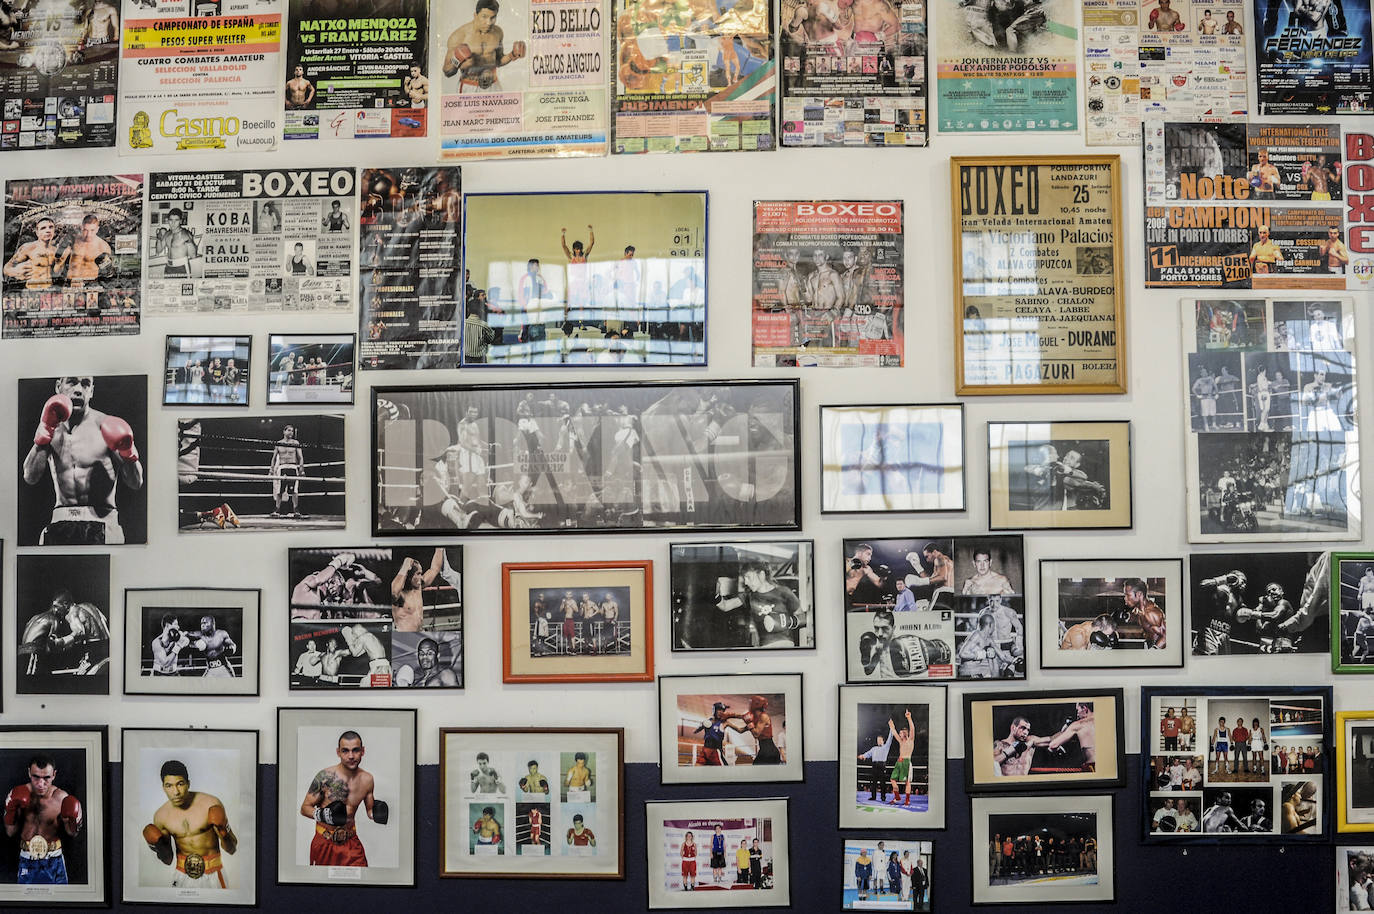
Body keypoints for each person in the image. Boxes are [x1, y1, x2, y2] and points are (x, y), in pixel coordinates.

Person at [22, 375, 144, 544]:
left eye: (85, 384)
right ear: (59, 386)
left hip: (102, 521)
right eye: (72, 382)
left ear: (92, 391)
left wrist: (128, 452)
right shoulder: (51, 426)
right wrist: (42, 438)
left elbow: (136, 482)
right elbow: (30, 477)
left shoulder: (106, 426)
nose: (78, 390)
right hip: (60, 521)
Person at [142, 760, 238, 888]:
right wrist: (158, 846)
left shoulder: (210, 803)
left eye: (180, 784)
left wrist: (223, 831)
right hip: (181, 875)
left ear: (188, 784)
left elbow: (231, 849)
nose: (175, 792)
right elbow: (168, 860)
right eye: (169, 786)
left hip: (213, 874)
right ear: (163, 787)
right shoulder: (161, 816)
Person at [299, 730, 388, 866]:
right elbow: (304, 808)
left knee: (361, 884)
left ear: (363, 751)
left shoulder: (367, 779)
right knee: (322, 886)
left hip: (351, 843)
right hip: (325, 842)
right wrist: (324, 815)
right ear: (338, 752)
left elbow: (369, 811)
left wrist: (376, 813)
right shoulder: (325, 777)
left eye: (355, 750)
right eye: (345, 751)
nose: (351, 756)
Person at [4, 754, 82, 883]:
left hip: (54, 859)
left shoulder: (61, 798)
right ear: (29, 772)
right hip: (27, 859)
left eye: (46, 778)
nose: (41, 784)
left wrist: (75, 822)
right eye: (36, 777)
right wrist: (11, 811)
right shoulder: (18, 793)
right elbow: (10, 832)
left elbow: (71, 833)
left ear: (54, 775)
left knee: (59, 903)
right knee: (25, 903)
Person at [444, 0, 527, 91]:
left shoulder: (497, 32)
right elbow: (447, 72)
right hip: (469, 86)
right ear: (475, 15)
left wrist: (512, 55)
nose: (488, 22)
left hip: (494, 85)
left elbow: (498, 61)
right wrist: (457, 61)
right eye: (484, 17)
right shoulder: (459, 36)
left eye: (493, 17)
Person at [390, 548, 462, 632]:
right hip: (404, 636)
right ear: (409, 576)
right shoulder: (400, 594)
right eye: (418, 574)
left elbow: (434, 569)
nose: (421, 577)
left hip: (421, 632)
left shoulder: (418, 587)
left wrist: (440, 548)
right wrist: (405, 567)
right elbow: (394, 592)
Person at [4, 216, 60, 288]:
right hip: (32, 290)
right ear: (37, 232)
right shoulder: (28, 248)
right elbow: (6, 268)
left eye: (51, 227)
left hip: (49, 290)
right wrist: (15, 271)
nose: (48, 230)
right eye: (43, 228)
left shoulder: (55, 250)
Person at [693, 701, 745, 765]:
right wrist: (701, 725)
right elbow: (695, 732)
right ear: (714, 710)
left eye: (723, 710)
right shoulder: (708, 721)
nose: (721, 712)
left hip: (716, 752)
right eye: (719, 710)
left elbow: (740, 730)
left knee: (725, 772)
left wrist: (749, 727)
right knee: (697, 769)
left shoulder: (725, 723)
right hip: (705, 751)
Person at [270, 424, 305, 518]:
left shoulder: (295, 443)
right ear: (284, 431)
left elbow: (300, 457)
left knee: (294, 490)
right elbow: (273, 458)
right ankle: (277, 510)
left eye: (292, 431)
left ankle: (296, 510)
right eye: (289, 430)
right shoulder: (279, 443)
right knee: (279, 490)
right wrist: (271, 469)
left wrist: (301, 469)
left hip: (293, 467)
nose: (291, 432)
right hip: (282, 467)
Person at [887, 709, 919, 805]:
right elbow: (894, 733)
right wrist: (891, 726)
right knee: (892, 779)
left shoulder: (910, 740)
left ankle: (907, 800)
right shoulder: (901, 742)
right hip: (899, 762)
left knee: (907, 782)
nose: (899, 734)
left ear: (905, 733)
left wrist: (909, 718)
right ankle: (897, 797)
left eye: (901, 733)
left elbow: (912, 729)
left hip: (906, 762)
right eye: (900, 733)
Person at [1123, 577, 1167, 648]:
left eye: (1128, 595)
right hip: (1149, 644)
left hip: (1157, 647)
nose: (1125, 598)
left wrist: (1154, 651)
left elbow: (1166, 636)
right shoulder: (1137, 609)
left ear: (1139, 594)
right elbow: (1134, 616)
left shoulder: (1151, 612)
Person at [743, 695, 781, 764]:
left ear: (756, 704)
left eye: (751, 703)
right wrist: (728, 723)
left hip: (769, 750)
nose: (749, 705)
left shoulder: (763, 716)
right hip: (765, 750)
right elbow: (740, 730)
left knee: (756, 767)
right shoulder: (755, 720)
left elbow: (756, 734)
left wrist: (749, 723)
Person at [858, 732, 892, 801]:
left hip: (881, 766)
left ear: (883, 740)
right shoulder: (874, 748)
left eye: (880, 740)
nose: (878, 741)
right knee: (873, 783)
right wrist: (862, 756)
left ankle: (883, 797)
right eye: (877, 740)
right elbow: (868, 754)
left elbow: (890, 739)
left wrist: (891, 730)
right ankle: (873, 797)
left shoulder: (886, 747)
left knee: (883, 783)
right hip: (874, 766)